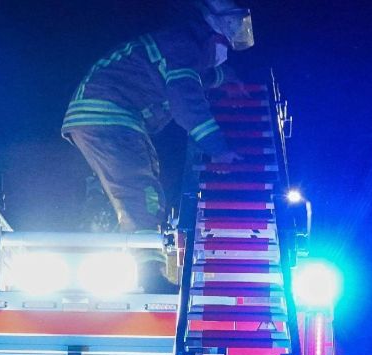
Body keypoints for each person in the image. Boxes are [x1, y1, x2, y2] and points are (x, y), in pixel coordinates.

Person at [61, 1, 253, 290]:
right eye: (223, 44)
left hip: (110, 116)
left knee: (136, 183)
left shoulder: (181, 46)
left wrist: (226, 79)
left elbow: (192, 77)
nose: (222, 54)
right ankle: (149, 274)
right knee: (143, 191)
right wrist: (220, 149)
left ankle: (109, 229)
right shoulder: (184, 45)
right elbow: (186, 100)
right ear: (213, 33)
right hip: (110, 116)